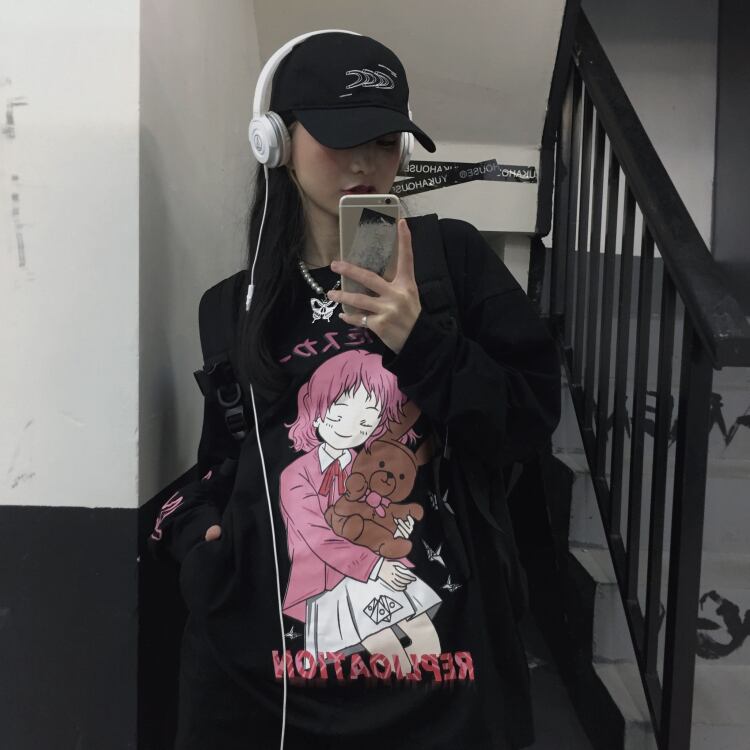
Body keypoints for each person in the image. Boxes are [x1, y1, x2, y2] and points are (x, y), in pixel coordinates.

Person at [149, 30, 560, 750]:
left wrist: (420, 341)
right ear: (277, 142)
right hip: (270, 678)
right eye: (340, 139)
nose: (366, 163)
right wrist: (197, 538)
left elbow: (526, 421)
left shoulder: (453, 261)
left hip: (445, 679)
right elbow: (231, 456)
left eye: (384, 140)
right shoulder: (234, 305)